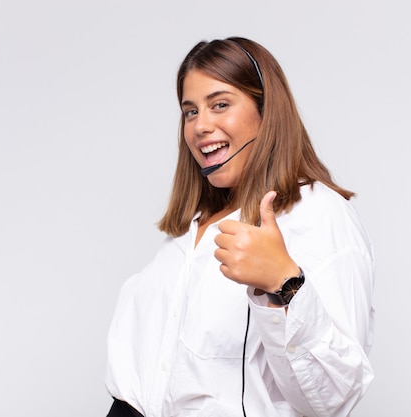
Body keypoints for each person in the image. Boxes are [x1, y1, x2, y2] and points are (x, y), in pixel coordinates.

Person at [105, 36, 375, 417]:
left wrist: (285, 283)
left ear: (266, 111)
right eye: (190, 111)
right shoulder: (187, 233)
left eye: (220, 105)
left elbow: (332, 398)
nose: (201, 125)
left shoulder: (317, 213)